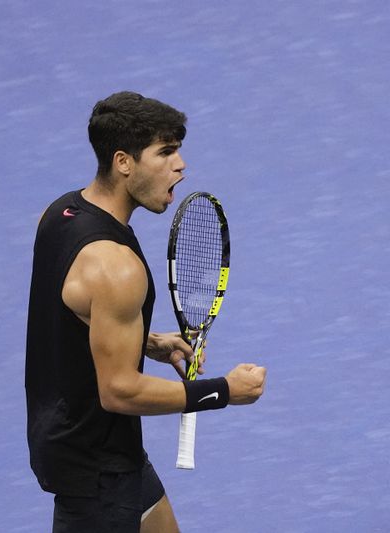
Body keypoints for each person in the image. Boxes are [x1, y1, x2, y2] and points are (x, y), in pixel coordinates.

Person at [25, 91, 267, 532]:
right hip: (96, 472)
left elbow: (71, 313)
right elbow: (118, 391)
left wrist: (149, 342)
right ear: (123, 162)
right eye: (166, 152)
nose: (181, 165)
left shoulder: (58, 214)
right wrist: (224, 391)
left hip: (89, 444)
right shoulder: (117, 268)